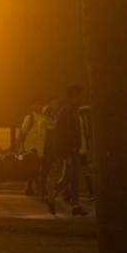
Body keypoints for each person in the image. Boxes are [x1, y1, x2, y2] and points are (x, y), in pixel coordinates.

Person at [50, 85, 88, 216]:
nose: (80, 98)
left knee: (75, 178)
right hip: (69, 150)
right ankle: (51, 197)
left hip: (75, 150)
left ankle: (76, 206)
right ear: (72, 96)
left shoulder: (73, 110)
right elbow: (64, 131)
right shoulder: (66, 109)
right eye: (78, 95)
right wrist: (69, 149)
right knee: (68, 176)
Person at [18, 98, 50, 197]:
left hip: (38, 146)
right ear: (31, 106)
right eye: (36, 104)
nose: (38, 106)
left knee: (35, 169)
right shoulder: (29, 118)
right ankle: (37, 189)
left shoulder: (42, 117)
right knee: (35, 169)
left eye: (39, 104)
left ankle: (30, 188)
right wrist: (21, 145)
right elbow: (23, 132)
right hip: (30, 147)